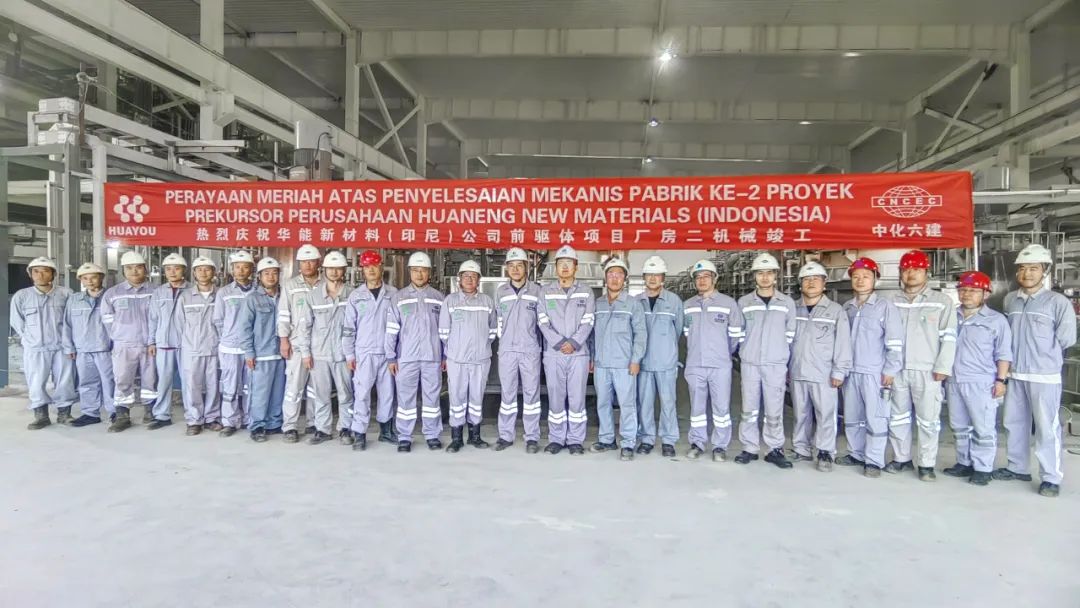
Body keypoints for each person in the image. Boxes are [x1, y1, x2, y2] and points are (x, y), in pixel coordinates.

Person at [995, 244, 1077, 497]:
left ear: (1045, 271)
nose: (1027, 273)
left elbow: (1066, 338)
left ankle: (1050, 477)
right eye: (1022, 268)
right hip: (1015, 374)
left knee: (1046, 428)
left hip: (1044, 375)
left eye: (1033, 268)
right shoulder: (1010, 299)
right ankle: (1017, 467)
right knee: (1013, 423)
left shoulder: (1057, 302)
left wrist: (1043, 356)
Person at [887, 250, 958, 481]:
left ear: (926, 272)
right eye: (906, 269)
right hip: (897, 369)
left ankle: (926, 464)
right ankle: (901, 458)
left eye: (916, 269)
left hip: (928, 370)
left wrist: (943, 367)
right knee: (897, 417)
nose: (911, 274)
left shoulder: (941, 302)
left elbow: (949, 337)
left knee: (928, 420)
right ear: (900, 272)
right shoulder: (890, 301)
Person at [943, 271, 1012, 486]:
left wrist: (1001, 381)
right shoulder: (951, 316)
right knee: (959, 426)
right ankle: (964, 462)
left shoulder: (996, 320)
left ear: (986, 294)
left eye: (973, 290)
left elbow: (1004, 354)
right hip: (954, 380)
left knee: (983, 428)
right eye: (963, 290)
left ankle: (983, 468)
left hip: (981, 382)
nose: (966, 294)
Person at [838, 257, 904, 477]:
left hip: (875, 373)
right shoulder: (847, 307)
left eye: (866, 276)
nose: (860, 280)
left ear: (875, 279)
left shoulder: (885, 307)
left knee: (876, 418)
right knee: (853, 416)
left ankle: (874, 461)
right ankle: (856, 453)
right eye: (856, 276)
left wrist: (890, 370)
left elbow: (895, 342)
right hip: (851, 372)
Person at [735, 253, 797, 469]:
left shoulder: (786, 303)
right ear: (754, 276)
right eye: (760, 273)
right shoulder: (744, 302)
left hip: (775, 365)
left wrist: (780, 356)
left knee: (774, 409)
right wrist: (745, 351)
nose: (764, 277)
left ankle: (774, 449)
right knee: (749, 409)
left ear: (775, 275)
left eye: (769, 273)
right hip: (750, 364)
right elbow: (739, 333)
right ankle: (749, 447)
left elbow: (790, 335)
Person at [790, 261, 852, 471]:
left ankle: (825, 451)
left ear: (824, 284)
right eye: (806, 279)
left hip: (824, 373)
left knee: (825, 414)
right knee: (800, 414)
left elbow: (843, 343)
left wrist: (839, 371)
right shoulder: (792, 308)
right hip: (797, 370)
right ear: (800, 284)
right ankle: (801, 448)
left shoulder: (835, 311)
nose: (811, 282)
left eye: (816, 278)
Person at [682, 259, 743, 461]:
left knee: (721, 409)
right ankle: (697, 442)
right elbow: (686, 333)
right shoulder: (688, 305)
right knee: (697, 408)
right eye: (698, 277)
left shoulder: (728, 304)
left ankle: (719, 446)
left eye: (706, 276)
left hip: (720, 365)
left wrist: (722, 353)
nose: (702, 280)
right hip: (695, 364)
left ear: (715, 279)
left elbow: (735, 336)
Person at [537, 245, 595, 456]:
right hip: (554, 354)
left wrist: (574, 342)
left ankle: (575, 440)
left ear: (575, 267)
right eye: (560, 263)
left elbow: (588, 321)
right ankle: (556, 438)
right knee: (555, 397)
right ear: (555, 267)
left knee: (577, 398)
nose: (564, 267)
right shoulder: (545, 292)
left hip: (578, 354)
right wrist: (560, 342)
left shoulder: (586, 292)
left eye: (568, 263)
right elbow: (542, 321)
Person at [386, 251, 446, 452]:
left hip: (432, 357)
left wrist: (445, 355)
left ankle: (432, 434)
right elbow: (391, 330)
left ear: (429, 272)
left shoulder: (439, 298)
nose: (419, 274)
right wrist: (391, 357)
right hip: (406, 358)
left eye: (423, 270)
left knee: (432, 399)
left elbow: (445, 330)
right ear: (410, 272)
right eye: (415, 270)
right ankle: (404, 436)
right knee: (405, 399)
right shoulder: (399, 298)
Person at [590, 257, 647, 461]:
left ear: (625, 279)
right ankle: (607, 439)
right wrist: (592, 357)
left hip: (624, 365)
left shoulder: (633, 304)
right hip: (601, 363)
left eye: (619, 275)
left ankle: (628, 442)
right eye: (611, 274)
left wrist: (636, 359)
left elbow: (641, 334)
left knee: (627, 404)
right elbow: (591, 334)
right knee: (603, 403)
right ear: (605, 278)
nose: (615, 278)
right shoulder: (597, 304)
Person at [295, 251, 354, 446]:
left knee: (346, 393)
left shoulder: (352, 294)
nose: (334, 272)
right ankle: (323, 429)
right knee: (321, 394)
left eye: (338, 268)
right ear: (324, 270)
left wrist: (354, 353)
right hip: (319, 354)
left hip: (344, 355)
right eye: (331, 269)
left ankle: (346, 428)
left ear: (344, 270)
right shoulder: (313, 296)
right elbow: (304, 327)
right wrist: (305, 353)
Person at [342, 249, 398, 451]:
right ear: (362, 270)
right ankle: (359, 433)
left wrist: (396, 354)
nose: (371, 270)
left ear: (381, 267)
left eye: (374, 265)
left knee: (387, 393)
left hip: (388, 353)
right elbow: (349, 327)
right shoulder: (356, 296)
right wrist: (349, 354)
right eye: (367, 266)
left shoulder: (393, 294)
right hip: (364, 353)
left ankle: (386, 431)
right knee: (362, 394)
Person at [440, 259, 497, 453]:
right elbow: (443, 332)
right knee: (456, 398)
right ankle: (456, 438)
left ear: (479, 280)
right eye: (466, 276)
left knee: (476, 398)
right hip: (457, 360)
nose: (470, 279)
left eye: (473, 276)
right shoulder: (450, 301)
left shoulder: (487, 302)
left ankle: (475, 436)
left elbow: (492, 331)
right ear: (459, 279)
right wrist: (456, 349)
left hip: (480, 360)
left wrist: (481, 347)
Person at [12, 256, 75, 430]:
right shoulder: (22, 296)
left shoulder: (66, 294)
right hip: (35, 348)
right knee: (36, 381)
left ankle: (64, 413)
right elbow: (17, 322)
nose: (40, 275)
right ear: (30, 274)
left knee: (65, 380)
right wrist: (29, 340)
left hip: (62, 346)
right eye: (36, 271)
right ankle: (41, 415)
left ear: (53, 274)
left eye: (45, 271)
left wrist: (70, 343)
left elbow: (72, 320)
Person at [494, 247, 544, 453]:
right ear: (507, 268)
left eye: (519, 265)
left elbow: (543, 323)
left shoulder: (537, 291)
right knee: (507, 395)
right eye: (511, 266)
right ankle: (506, 435)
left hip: (530, 350)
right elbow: (498, 321)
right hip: (507, 351)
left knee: (532, 395)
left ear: (526, 267)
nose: (515, 269)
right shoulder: (501, 292)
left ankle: (532, 437)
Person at [635, 255, 684, 457]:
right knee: (644, 403)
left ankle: (668, 440)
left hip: (666, 362)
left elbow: (678, 330)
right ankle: (646, 438)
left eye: (657, 275)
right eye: (649, 274)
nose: (653, 278)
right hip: (644, 362)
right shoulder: (636, 301)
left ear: (663, 277)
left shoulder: (674, 301)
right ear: (644, 277)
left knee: (668, 403)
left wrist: (668, 349)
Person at [102, 250, 156, 432]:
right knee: (122, 379)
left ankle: (150, 411)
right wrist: (119, 336)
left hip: (150, 344)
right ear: (123, 270)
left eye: (138, 267)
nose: (134, 271)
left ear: (145, 269)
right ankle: (122, 414)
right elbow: (107, 320)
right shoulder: (113, 293)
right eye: (129, 268)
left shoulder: (155, 291)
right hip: (123, 344)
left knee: (151, 379)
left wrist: (153, 339)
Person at [278, 244, 322, 441]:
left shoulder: (325, 283)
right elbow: (283, 314)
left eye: (311, 261)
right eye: (304, 262)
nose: (307, 265)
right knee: (294, 387)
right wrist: (284, 340)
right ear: (298, 264)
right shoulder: (290, 285)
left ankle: (314, 423)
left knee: (317, 387)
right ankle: (290, 426)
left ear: (318, 262)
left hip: (320, 345)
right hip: (296, 344)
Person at [62, 262, 114, 427]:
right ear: (81, 280)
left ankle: (115, 413)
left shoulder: (111, 297)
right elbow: (67, 324)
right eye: (85, 278)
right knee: (86, 382)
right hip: (83, 349)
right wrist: (69, 347)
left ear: (101, 278)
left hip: (106, 349)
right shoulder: (74, 300)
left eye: (93, 277)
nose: (89, 281)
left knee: (110, 382)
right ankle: (90, 413)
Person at [241, 257, 286, 442]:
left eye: (274, 272)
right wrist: (249, 352)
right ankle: (257, 426)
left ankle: (274, 423)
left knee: (278, 392)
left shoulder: (285, 296)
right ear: (259, 276)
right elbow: (244, 328)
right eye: (266, 273)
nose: (271, 276)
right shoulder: (252, 299)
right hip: (261, 354)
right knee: (259, 393)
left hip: (281, 354)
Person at [175, 256, 221, 435]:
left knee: (213, 385)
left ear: (214, 272)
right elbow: (179, 324)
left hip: (215, 348)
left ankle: (211, 417)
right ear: (194, 273)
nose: (203, 273)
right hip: (191, 349)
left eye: (207, 269)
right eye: (199, 269)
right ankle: (194, 420)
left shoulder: (221, 295)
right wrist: (188, 342)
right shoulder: (185, 297)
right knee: (192, 385)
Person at [214, 250, 256, 437]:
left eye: (245, 267)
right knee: (230, 386)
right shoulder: (224, 292)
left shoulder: (258, 291)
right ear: (232, 269)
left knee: (249, 385)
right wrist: (228, 337)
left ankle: (249, 419)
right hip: (230, 347)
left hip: (252, 348)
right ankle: (229, 421)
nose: (241, 271)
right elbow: (218, 320)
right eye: (237, 267)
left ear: (251, 269)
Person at [146, 253, 189, 429]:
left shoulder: (192, 290)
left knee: (189, 381)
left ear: (184, 270)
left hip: (187, 344)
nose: (172, 272)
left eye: (176, 268)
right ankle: (162, 415)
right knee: (163, 381)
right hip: (164, 343)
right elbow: (153, 318)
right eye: (168, 269)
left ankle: (193, 416)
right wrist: (151, 341)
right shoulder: (158, 292)